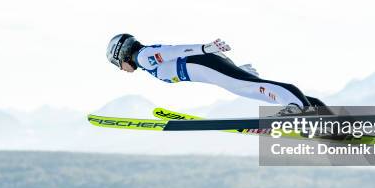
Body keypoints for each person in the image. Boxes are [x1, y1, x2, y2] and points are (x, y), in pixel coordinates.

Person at [106, 34, 329, 115]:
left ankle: (296, 107)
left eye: (118, 64)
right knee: (254, 89)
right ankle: (332, 123)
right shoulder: (145, 60)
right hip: (211, 68)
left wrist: (204, 48)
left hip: (208, 64)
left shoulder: (144, 57)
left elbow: (172, 51)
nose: (122, 70)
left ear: (122, 54)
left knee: (251, 88)